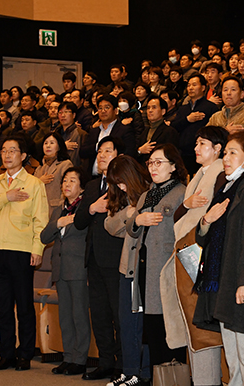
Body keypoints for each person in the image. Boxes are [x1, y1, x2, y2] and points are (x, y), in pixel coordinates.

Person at [193, 132, 244, 386]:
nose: (226, 158)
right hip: (222, 280)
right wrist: (206, 220)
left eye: (233, 153)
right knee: (232, 354)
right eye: (226, 152)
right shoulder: (224, 189)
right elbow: (203, 237)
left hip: (241, 282)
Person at [162, 126, 227, 386]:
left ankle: (207, 381)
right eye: (197, 143)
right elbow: (181, 216)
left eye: (202, 144)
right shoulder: (199, 174)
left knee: (201, 325)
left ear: (218, 148)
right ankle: (200, 380)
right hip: (187, 248)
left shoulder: (220, 173)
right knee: (191, 321)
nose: (196, 148)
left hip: (201, 252)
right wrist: (185, 206)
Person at [0, 137, 49, 371]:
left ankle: (25, 354)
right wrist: (5, 197)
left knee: (25, 306)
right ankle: (6, 354)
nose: (7, 155)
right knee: (3, 306)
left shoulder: (34, 184)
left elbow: (41, 220)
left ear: (23, 155)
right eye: (4, 151)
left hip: (21, 250)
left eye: (13, 151)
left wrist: (38, 248)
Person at [125, 144, 188, 379]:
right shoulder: (146, 194)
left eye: (159, 162)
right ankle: (156, 378)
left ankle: (173, 379)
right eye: (150, 162)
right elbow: (131, 229)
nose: (153, 167)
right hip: (144, 266)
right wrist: (138, 219)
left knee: (168, 328)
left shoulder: (182, 192)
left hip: (167, 268)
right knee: (152, 327)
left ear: (173, 166)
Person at [74, 136, 126, 381]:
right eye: (100, 152)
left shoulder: (127, 184)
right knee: (100, 314)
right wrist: (92, 208)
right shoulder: (93, 185)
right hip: (93, 257)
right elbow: (79, 220)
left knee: (119, 314)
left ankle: (124, 365)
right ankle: (105, 362)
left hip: (117, 258)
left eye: (108, 151)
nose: (103, 155)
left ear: (118, 155)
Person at [103, 155, 152, 386]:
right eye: (116, 184)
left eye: (122, 181)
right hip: (126, 266)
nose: (120, 187)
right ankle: (129, 370)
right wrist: (131, 213)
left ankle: (141, 373)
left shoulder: (150, 192)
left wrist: (135, 215)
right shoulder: (126, 200)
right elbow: (110, 226)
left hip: (143, 267)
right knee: (126, 321)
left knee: (140, 324)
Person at [41, 167, 90, 376]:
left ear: (81, 187)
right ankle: (67, 357)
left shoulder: (86, 210)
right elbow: (44, 237)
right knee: (65, 317)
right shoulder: (59, 210)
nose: (67, 185)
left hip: (78, 269)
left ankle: (80, 359)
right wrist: (58, 222)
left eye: (72, 180)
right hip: (60, 270)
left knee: (79, 316)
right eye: (64, 181)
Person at [171, 74, 219, 175]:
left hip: (201, 153)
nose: (190, 88)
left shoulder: (211, 107)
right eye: (188, 85)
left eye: (194, 85)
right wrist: (187, 119)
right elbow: (173, 127)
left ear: (203, 88)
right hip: (182, 153)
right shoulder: (183, 108)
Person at [34, 132, 73, 213]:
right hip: (38, 208)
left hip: (56, 209)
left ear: (59, 146)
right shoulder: (39, 167)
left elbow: (69, 188)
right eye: (45, 143)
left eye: (52, 143)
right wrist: (39, 182)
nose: (48, 146)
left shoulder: (65, 164)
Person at [136, 96, 179, 164]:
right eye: (148, 108)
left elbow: (172, 156)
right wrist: (140, 151)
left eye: (154, 107)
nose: (150, 110)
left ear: (163, 111)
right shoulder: (145, 131)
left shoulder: (170, 132)